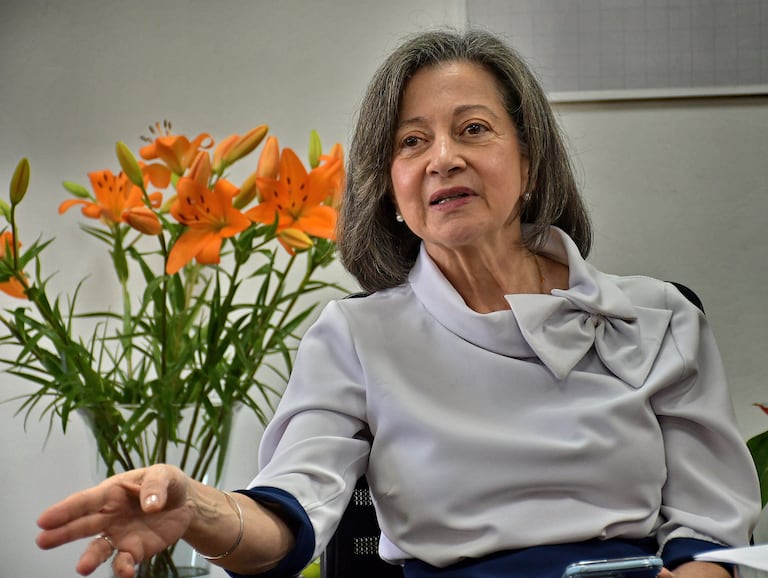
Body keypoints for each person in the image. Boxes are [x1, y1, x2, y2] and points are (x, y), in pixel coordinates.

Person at [35, 29, 760, 578]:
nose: (442, 156)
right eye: (412, 142)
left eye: (473, 129)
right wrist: (192, 507)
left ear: (530, 161)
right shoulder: (356, 334)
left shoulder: (658, 315)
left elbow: (712, 523)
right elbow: (289, 510)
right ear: (392, 190)